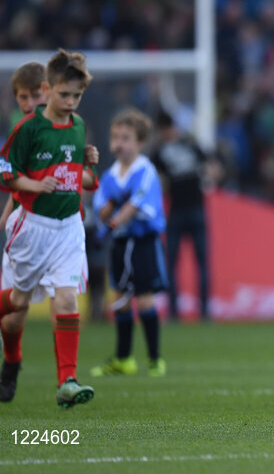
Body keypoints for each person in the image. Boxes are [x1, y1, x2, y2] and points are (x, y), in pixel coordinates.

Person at [0, 49, 98, 407]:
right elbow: (6, 175)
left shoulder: (77, 126)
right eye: (64, 94)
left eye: (77, 96)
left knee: (65, 298)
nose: (71, 102)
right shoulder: (28, 129)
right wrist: (35, 185)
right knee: (17, 305)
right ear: (49, 90)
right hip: (33, 229)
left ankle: (67, 381)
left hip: (68, 228)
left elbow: (83, 180)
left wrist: (90, 166)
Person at [90, 108, 169, 378]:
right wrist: (108, 208)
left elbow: (135, 206)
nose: (119, 143)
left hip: (143, 240)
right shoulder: (110, 176)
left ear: (140, 142)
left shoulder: (145, 171)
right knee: (121, 299)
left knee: (144, 297)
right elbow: (102, 207)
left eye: (126, 138)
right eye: (115, 137)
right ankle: (123, 358)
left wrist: (110, 224)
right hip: (122, 244)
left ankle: (155, 358)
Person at [153, 112, 211, 321]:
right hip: (185, 210)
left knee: (190, 263)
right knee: (187, 263)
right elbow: (210, 167)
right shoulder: (185, 145)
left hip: (187, 210)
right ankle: (185, 312)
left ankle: (197, 311)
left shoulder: (165, 150)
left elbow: (210, 166)